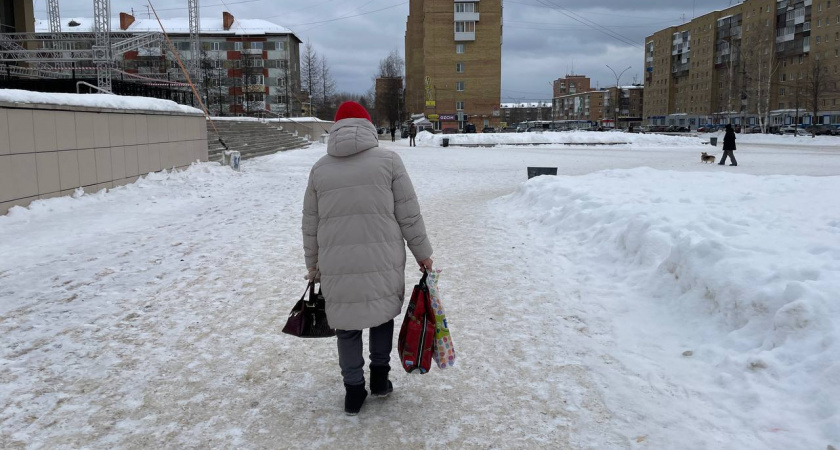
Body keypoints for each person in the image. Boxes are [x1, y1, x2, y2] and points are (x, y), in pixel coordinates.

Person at [302, 101, 434, 416]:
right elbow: (409, 214)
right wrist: (423, 255)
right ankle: (379, 378)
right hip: (382, 258)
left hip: (337, 264)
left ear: (335, 128)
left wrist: (313, 264)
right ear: (368, 126)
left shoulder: (320, 168)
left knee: (346, 327)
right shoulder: (389, 161)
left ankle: (353, 390)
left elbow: (311, 223)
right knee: (380, 316)